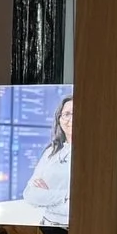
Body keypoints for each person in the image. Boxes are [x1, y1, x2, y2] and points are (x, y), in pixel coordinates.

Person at [22, 95, 72, 226]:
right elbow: (29, 194)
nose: (71, 119)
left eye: (76, 113)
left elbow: (78, 206)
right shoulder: (51, 151)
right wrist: (65, 195)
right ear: (59, 119)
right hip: (45, 226)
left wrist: (46, 198)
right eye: (66, 114)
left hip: (72, 230)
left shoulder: (90, 153)